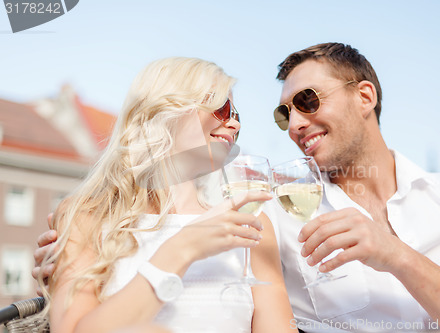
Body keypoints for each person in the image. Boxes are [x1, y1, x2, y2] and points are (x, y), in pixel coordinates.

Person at [33, 57, 296, 333]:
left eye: (237, 116)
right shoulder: (87, 217)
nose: (235, 125)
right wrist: (181, 249)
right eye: (223, 108)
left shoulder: (250, 224)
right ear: (166, 110)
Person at [264, 42, 440, 331]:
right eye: (284, 114)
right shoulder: (278, 215)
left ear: (364, 97)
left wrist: (397, 256)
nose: (294, 125)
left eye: (307, 100)